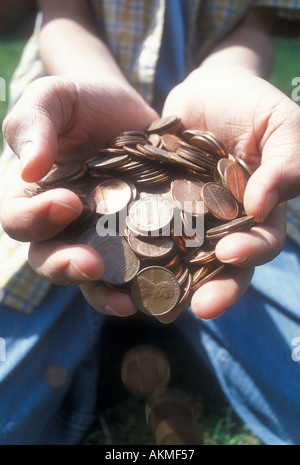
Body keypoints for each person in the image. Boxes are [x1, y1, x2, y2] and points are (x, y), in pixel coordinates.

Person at [0, 0, 300, 445]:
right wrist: (91, 81)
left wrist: (229, 74)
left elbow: (259, 18)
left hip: (230, 190)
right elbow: (62, 14)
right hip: (73, 167)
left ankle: (114, 344)